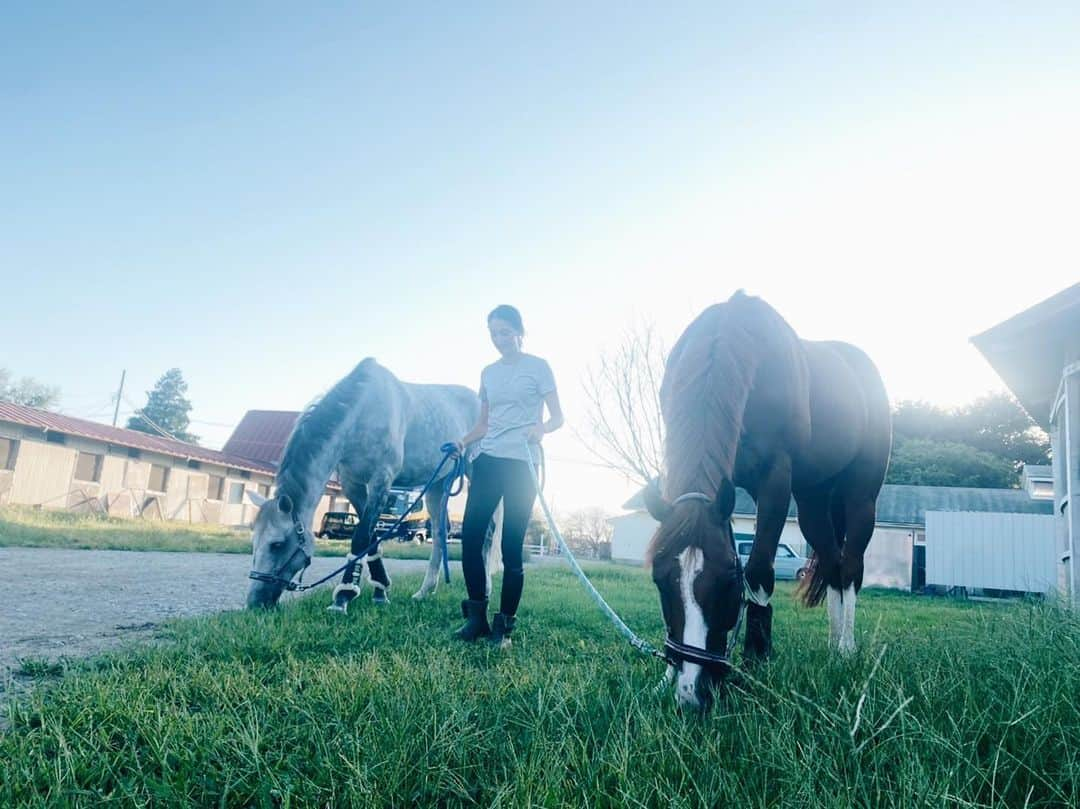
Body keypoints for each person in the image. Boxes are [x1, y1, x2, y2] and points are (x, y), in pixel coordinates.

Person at [452, 304, 564, 648]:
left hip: (522, 465)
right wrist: (462, 440)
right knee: (471, 539)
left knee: (512, 546)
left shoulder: (539, 368)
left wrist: (540, 429)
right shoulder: (488, 373)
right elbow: (484, 424)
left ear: (519, 331)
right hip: (489, 460)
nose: (498, 339)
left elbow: (558, 418)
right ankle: (477, 618)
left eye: (504, 332)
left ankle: (504, 625)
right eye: (493, 334)